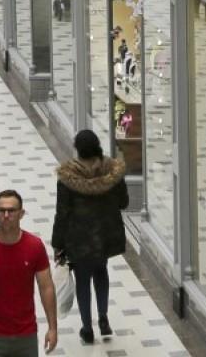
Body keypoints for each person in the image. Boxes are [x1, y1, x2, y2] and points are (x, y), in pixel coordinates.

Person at [50, 131, 128, 344]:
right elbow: (124, 202)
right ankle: (103, 317)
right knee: (101, 272)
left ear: (78, 148)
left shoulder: (68, 179)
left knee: (83, 279)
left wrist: (57, 244)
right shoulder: (113, 171)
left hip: (78, 238)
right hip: (105, 235)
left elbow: (62, 213)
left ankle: (87, 328)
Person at [0, 190, 59, 357]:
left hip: (25, 336)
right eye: (1, 210)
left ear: (21, 213)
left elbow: (46, 287)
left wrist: (52, 328)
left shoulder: (34, 247)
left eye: (11, 210)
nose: (6, 215)